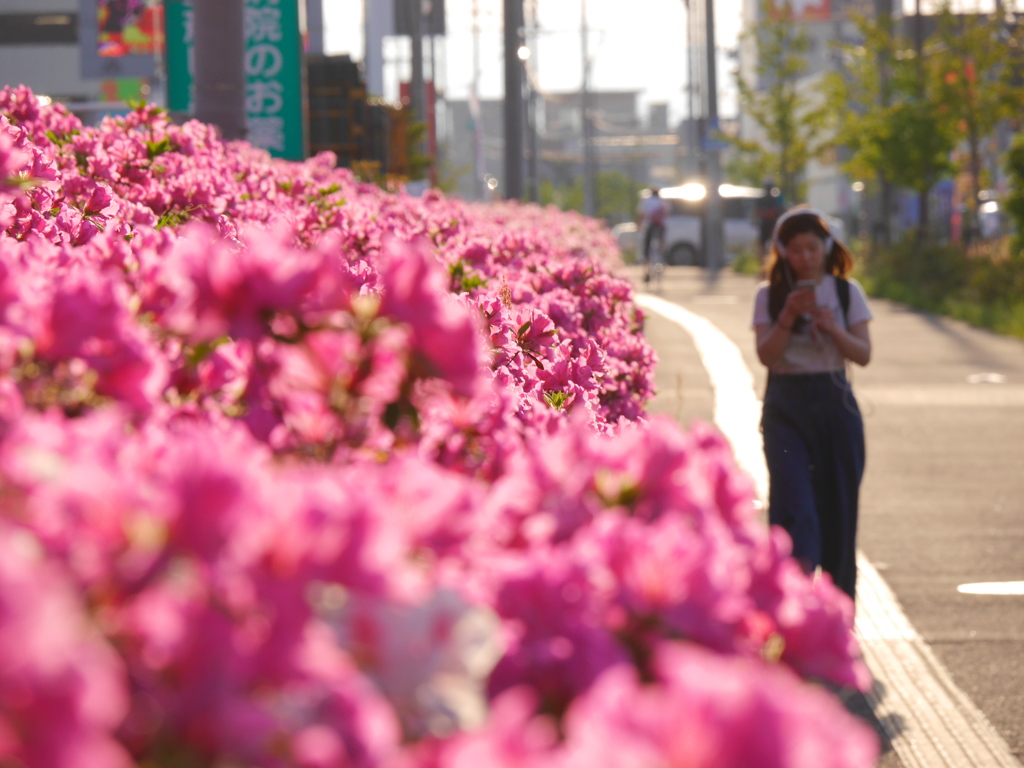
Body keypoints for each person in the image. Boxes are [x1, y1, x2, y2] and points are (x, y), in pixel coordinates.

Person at [752, 206, 873, 601]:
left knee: (839, 511)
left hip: (835, 403)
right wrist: (787, 316)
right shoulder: (769, 296)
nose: (805, 257)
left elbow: (863, 353)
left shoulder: (845, 291)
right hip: (785, 406)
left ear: (825, 248)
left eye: (812, 248)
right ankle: (793, 604)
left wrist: (833, 328)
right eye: (796, 249)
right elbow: (766, 355)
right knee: (794, 506)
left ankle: (839, 612)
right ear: (783, 253)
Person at [636, 187, 668, 286]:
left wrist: (639, 224)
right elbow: (666, 213)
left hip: (649, 227)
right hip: (660, 227)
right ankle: (662, 259)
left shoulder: (646, 201)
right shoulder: (662, 201)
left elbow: (641, 214)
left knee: (646, 249)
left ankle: (646, 272)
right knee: (661, 246)